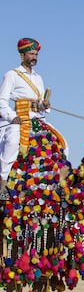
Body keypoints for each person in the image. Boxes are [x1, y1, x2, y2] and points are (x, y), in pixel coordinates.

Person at [0, 38, 52, 199]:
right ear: (22, 55)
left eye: (36, 54)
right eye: (31, 53)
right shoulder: (12, 75)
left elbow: (40, 105)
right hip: (18, 119)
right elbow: (2, 100)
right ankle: (2, 184)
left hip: (37, 119)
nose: (34, 57)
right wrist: (12, 117)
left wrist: (44, 105)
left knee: (60, 142)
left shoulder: (38, 77)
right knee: (12, 141)